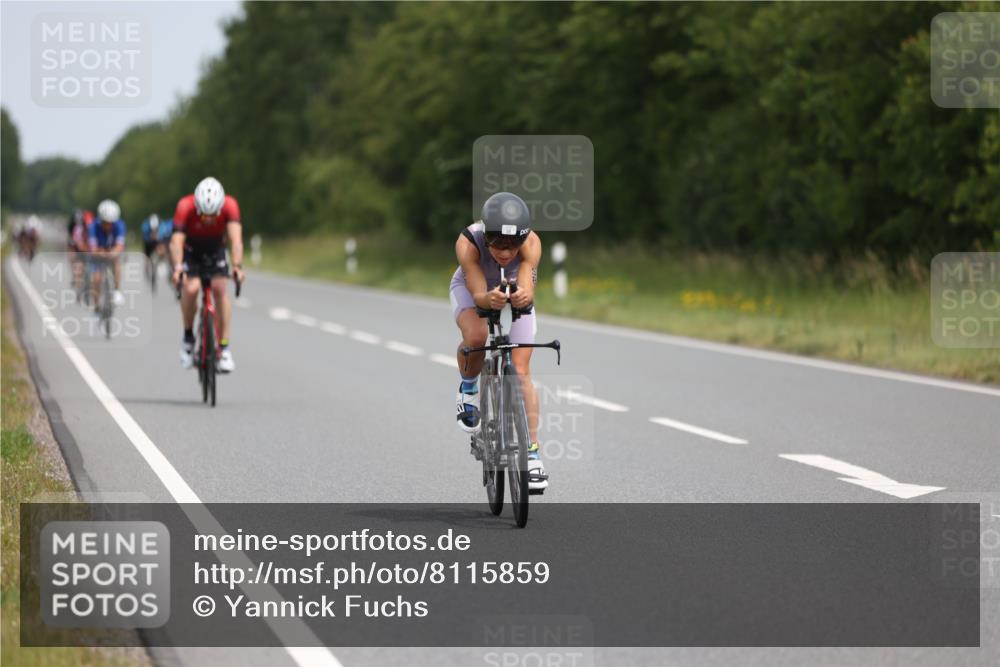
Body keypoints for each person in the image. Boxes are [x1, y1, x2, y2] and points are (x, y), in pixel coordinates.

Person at [450, 192, 548, 491]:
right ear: (486, 235)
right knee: (478, 335)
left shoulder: (531, 242)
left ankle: (531, 453)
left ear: (523, 238)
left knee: (520, 371)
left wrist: (523, 295)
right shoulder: (468, 242)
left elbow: (528, 288)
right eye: (497, 243)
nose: (505, 252)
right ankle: (468, 387)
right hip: (473, 288)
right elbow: (479, 292)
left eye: (512, 244)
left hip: (512, 287)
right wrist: (487, 299)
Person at [169, 177, 244, 373]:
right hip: (192, 250)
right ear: (197, 206)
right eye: (203, 214)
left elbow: (236, 240)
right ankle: (187, 339)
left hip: (216, 249)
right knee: (191, 289)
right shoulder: (184, 206)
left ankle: (225, 347)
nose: (208, 219)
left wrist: (237, 266)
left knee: (219, 288)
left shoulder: (230, 205)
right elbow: (176, 242)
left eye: (213, 215)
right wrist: (178, 267)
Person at [88, 199, 127, 306]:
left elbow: (120, 246)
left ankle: (117, 290)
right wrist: (100, 253)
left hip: (111, 252)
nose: (108, 225)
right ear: (101, 220)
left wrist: (112, 253)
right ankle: (96, 307)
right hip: (98, 254)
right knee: (96, 279)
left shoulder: (120, 226)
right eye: (105, 222)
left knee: (117, 261)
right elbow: (92, 248)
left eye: (111, 223)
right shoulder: (93, 227)